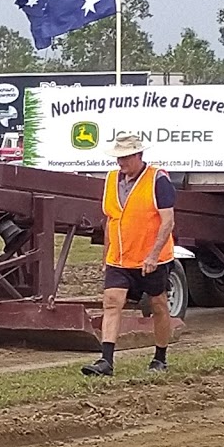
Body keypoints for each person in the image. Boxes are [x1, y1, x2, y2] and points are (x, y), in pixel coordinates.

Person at [82, 133, 176, 377]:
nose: (120, 163)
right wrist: (106, 255)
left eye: (124, 158)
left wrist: (154, 255)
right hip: (119, 258)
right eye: (118, 158)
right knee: (112, 302)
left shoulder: (158, 179)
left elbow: (168, 221)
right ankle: (106, 361)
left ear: (138, 155)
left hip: (151, 259)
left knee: (158, 305)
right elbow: (110, 220)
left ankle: (160, 358)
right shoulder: (111, 179)